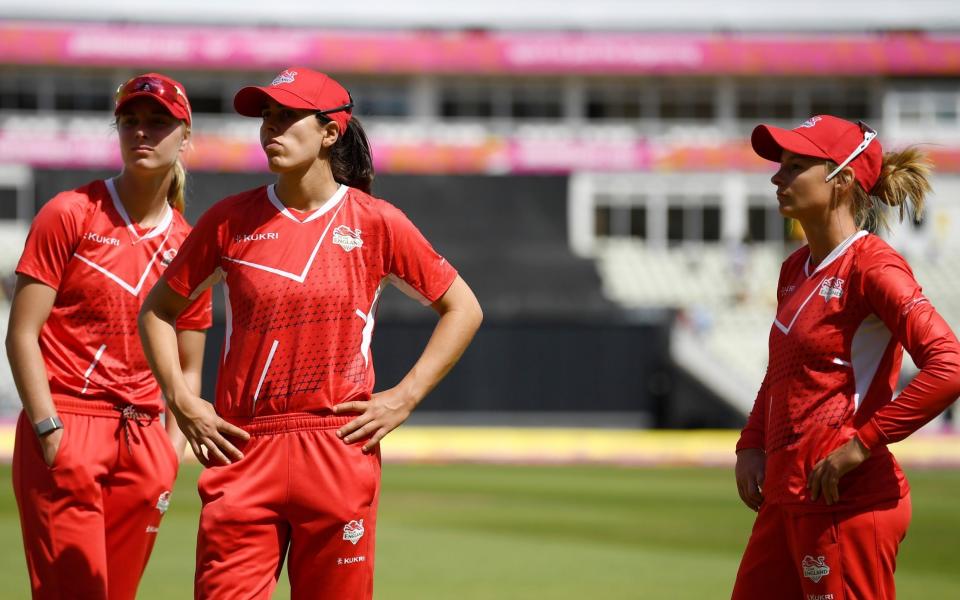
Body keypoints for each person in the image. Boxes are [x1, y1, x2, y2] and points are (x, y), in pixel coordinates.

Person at [138, 66, 483, 599]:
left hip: (337, 447)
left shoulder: (377, 222)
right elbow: (157, 310)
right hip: (244, 449)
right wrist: (183, 400)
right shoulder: (229, 220)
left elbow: (463, 307)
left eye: (287, 116)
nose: (270, 128)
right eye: (266, 117)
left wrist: (403, 399)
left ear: (330, 132)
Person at [732, 114, 960, 599]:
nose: (777, 176)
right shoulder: (795, 267)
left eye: (796, 166)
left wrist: (862, 444)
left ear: (843, 179)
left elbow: (949, 363)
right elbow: (782, 371)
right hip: (788, 498)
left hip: (847, 502)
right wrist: (751, 443)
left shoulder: (873, 266)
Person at [7, 73, 213, 599]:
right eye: (130, 121)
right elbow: (22, 334)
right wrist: (49, 428)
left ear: (185, 136)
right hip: (70, 421)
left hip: (145, 440)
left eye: (158, 122)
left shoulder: (191, 246)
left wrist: (169, 452)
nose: (142, 132)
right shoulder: (70, 213)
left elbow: (188, 368)